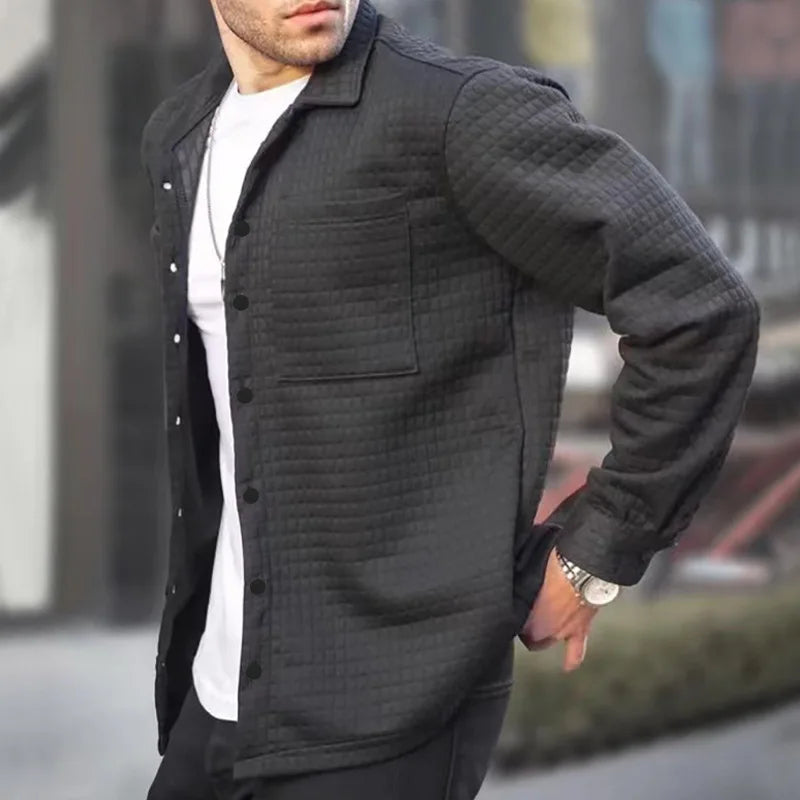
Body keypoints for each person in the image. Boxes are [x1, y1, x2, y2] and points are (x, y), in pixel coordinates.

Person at [140, 1, 759, 797]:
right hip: (215, 698)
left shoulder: (459, 112)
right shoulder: (180, 136)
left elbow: (700, 309)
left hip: (389, 714)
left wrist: (596, 555)